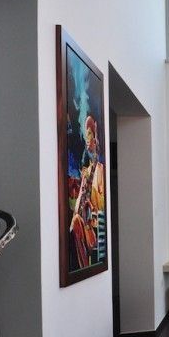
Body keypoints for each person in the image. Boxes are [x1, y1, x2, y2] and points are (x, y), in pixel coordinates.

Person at [69, 114, 106, 268]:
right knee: (75, 222)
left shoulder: (99, 169)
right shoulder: (88, 171)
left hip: (95, 226)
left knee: (76, 223)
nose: (87, 138)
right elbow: (77, 205)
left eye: (89, 134)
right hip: (86, 223)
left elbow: (102, 204)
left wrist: (91, 207)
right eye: (86, 134)